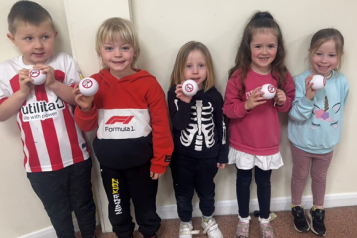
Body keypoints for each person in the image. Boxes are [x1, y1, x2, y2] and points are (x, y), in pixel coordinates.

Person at [0, 1, 96, 238]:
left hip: (76, 156)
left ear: (54, 35)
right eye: (29, 38)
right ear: (13, 39)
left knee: (84, 205)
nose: (39, 45)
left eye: (44, 36)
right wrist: (22, 92)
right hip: (39, 164)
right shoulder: (6, 71)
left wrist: (53, 83)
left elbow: (78, 100)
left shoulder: (64, 62)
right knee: (58, 213)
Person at [73, 17, 173, 238]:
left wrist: (161, 160)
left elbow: (161, 126)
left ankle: (149, 233)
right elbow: (86, 125)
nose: (117, 54)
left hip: (143, 164)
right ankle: (123, 234)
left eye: (124, 48)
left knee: (146, 206)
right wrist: (86, 107)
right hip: (111, 167)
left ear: (134, 51)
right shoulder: (94, 85)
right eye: (110, 48)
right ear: (100, 51)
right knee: (117, 208)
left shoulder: (149, 84)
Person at [223, 11, 295, 238]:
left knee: (264, 183)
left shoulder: (281, 74)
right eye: (258, 46)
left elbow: (288, 105)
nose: (265, 52)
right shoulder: (238, 75)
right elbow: (227, 109)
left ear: (278, 48)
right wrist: (247, 104)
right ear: (248, 47)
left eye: (270, 46)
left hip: (267, 143)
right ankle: (243, 219)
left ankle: (265, 219)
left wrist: (283, 101)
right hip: (243, 142)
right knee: (243, 182)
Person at [288, 28, 349, 236]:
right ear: (310, 52)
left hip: (326, 143)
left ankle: (318, 209)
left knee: (320, 178)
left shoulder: (342, 82)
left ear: (339, 57)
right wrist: (308, 96)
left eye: (331, 55)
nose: (324, 60)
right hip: (301, 142)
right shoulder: (299, 80)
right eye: (319, 53)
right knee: (300, 175)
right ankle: (296, 207)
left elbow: (338, 111)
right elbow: (295, 115)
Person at [168, 41, 228, 238]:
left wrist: (222, 152)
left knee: (207, 191)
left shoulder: (215, 96)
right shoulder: (174, 94)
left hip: (208, 156)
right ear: (180, 69)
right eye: (189, 66)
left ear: (208, 68)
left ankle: (207, 219)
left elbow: (222, 125)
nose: (195, 71)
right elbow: (178, 125)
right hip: (182, 157)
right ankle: (185, 223)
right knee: (183, 194)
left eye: (201, 65)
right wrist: (185, 101)